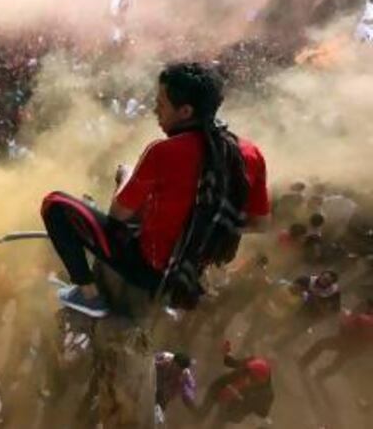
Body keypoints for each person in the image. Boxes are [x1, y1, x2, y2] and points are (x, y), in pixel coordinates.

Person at [41, 62, 270, 317]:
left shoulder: (163, 151)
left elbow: (119, 215)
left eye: (161, 105)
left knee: (55, 204)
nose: (155, 111)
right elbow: (258, 222)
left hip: (152, 269)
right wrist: (201, 231)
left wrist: (127, 176)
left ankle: (88, 295)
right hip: (198, 270)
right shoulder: (250, 154)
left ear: (185, 111)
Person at [198, 344, 274, 427]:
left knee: (220, 419)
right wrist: (227, 354)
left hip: (235, 406)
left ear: (260, 380)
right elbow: (234, 363)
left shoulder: (266, 394)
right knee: (207, 405)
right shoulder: (252, 363)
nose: (247, 378)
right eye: (247, 374)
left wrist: (241, 398)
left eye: (252, 378)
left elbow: (261, 412)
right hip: (223, 387)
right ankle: (198, 417)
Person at [298, 298, 373, 379]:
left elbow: (347, 327)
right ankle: (320, 376)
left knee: (320, 345)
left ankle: (303, 363)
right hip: (357, 349)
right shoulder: (365, 319)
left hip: (346, 341)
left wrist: (343, 318)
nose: (368, 308)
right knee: (338, 363)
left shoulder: (363, 319)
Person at [154, 351, 197, 424]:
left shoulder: (185, 376)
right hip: (159, 377)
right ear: (173, 362)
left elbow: (189, 390)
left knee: (162, 403)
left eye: (180, 369)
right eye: (177, 368)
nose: (178, 370)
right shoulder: (163, 359)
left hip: (170, 388)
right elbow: (150, 361)